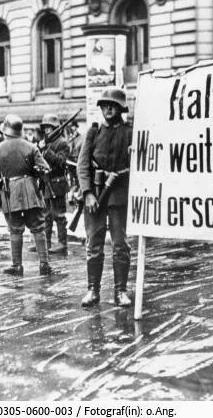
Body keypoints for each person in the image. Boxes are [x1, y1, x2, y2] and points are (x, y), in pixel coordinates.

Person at [77, 87, 133, 308]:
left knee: (120, 246)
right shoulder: (93, 133)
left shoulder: (130, 132)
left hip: (119, 197)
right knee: (94, 245)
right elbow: (82, 166)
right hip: (96, 197)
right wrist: (88, 193)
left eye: (113, 105)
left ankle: (120, 292)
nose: (108, 108)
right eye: (104, 105)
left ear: (120, 108)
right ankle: (93, 290)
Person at [0, 114, 52, 276]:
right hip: (31, 192)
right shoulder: (31, 147)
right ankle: (44, 264)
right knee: (38, 227)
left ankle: (17, 266)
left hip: (10, 194)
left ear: (5, 132)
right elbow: (45, 169)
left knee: (15, 229)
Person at [38, 114, 70, 254]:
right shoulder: (45, 142)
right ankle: (47, 242)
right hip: (46, 182)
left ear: (56, 128)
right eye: (45, 128)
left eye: (49, 128)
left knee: (59, 215)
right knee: (46, 215)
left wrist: (46, 150)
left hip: (57, 183)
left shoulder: (62, 143)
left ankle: (62, 243)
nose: (46, 131)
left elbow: (61, 162)